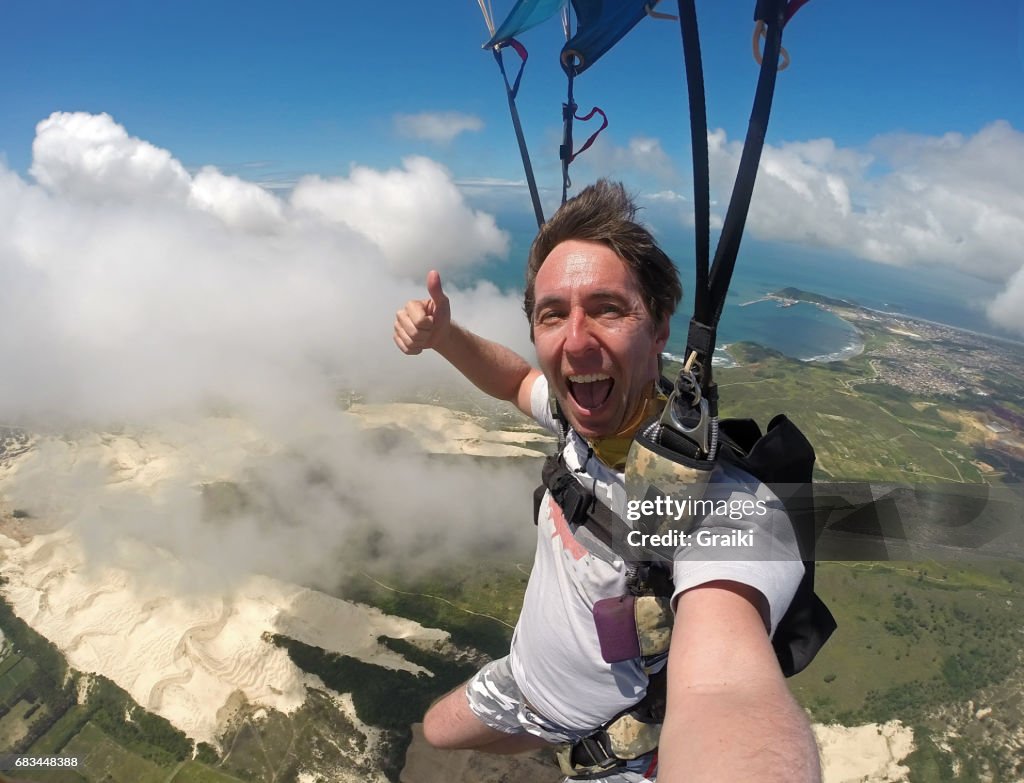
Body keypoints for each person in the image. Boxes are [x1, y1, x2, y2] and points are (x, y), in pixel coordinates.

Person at [393, 180, 821, 782]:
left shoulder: (730, 510)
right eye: (553, 315)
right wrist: (445, 339)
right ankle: (559, 732)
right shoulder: (577, 417)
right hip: (528, 682)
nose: (575, 340)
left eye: (607, 309)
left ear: (660, 330)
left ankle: (604, 748)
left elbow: (728, 692)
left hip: (621, 740)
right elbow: (517, 383)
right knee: (438, 728)